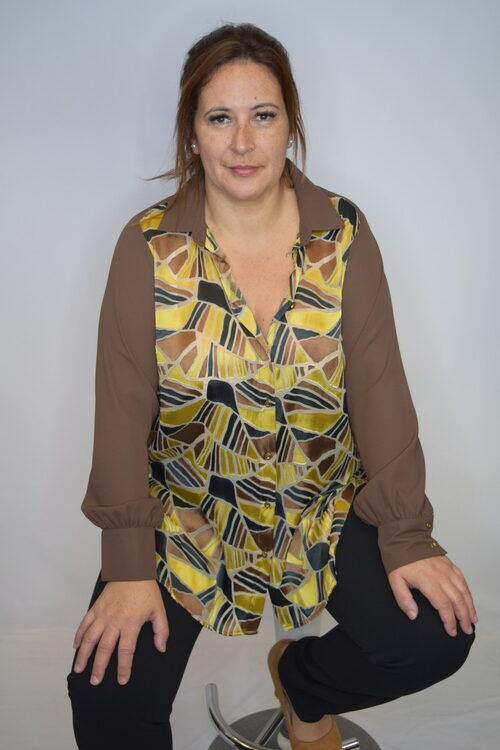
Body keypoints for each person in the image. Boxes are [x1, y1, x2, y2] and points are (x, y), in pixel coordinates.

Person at [66, 22, 478, 750]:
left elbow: (379, 389)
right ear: (192, 131)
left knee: (433, 637)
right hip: (190, 515)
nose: (242, 143)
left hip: (321, 506)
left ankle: (303, 684)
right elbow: (121, 408)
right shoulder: (147, 245)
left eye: (263, 115)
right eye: (218, 118)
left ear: (291, 122)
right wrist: (128, 565)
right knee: (107, 697)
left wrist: (406, 537)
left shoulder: (343, 234)